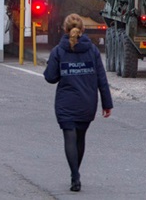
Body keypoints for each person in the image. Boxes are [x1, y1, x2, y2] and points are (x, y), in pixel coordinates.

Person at [44, 13, 113, 192]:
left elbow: (50, 77)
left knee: (69, 137)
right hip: (87, 102)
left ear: (64, 30)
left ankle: (75, 176)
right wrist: (107, 104)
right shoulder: (92, 51)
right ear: (83, 29)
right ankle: (76, 173)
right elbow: (102, 79)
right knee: (80, 138)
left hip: (66, 102)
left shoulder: (58, 51)